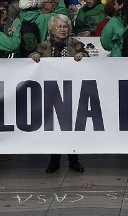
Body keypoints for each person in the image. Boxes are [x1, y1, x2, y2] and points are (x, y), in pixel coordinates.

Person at [29, 14, 88, 173]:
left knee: (70, 127)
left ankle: (73, 160)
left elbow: (88, 58)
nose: (62, 29)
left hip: (71, 91)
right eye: (59, 27)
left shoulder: (76, 44)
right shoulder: (43, 46)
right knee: (53, 127)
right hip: (51, 93)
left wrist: (82, 56)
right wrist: (34, 56)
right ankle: (54, 161)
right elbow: (31, 59)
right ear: (52, 30)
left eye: (65, 26)